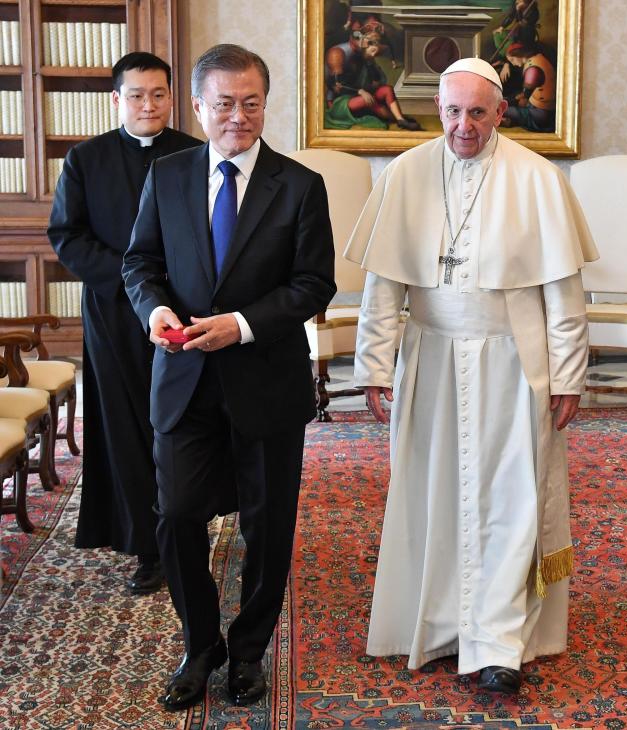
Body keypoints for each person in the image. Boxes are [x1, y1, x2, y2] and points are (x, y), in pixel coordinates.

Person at [345, 57, 598, 695]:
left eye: (477, 113)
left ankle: (500, 643)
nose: (464, 125)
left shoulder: (536, 178)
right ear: (439, 109)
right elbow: (383, 287)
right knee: (432, 493)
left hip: (514, 358)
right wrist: (375, 363)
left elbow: (564, 295)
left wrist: (568, 376)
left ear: (500, 114)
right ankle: (434, 627)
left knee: (510, 499)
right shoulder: (405, 173)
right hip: (429, 355)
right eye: (453, 111)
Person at [121, 44, 336, 711]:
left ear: (265, 103)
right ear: (197, 106)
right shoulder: (168, 174)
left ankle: (247, 652)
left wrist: (240, 323)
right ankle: (200, 643)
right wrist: (155, 308)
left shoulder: (299, 185)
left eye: (251, 103)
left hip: (265, 382)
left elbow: (313, 284)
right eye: (223, 104)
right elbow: (139, 264)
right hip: (183, 378)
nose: (238, 117)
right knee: (178, 514)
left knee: (267, 531)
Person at [48, 52, 202, 595]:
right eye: (136, 95)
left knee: (184, 423)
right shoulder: (85, 158)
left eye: (158, 94)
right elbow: (68, 235)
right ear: (116, 100)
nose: (148, 104)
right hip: (114, 311)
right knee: (127, 428)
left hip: (183, 310)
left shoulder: (195, 153)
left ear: (172, 97)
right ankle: (146, 545)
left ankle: (189, 526)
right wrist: (135, 282)